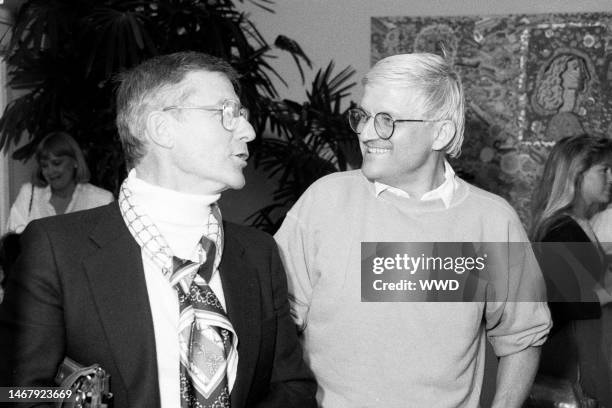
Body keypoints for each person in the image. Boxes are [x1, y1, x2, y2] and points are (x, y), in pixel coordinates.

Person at [0, 52, 316, 408]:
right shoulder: (56, 250)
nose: (248, 130)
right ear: (161, 129)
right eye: (227, 112)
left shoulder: (259, 254)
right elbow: (19, 394)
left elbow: (291, 388)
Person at [274, 52, 551, 408]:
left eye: (387, 120)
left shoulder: (493, 221)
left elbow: (523, 337)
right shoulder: (324, 201)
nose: (366, 132)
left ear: (440, 132)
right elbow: (276, 323)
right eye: (363, 116)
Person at [531, 134, 612, 407]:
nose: (611, 178)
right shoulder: (559, 230)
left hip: (584, 355)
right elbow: (585, 301)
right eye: (604, 170)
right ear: (577, 174)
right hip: (565, 362)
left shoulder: (582, 223)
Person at [6, 131, 114, 234]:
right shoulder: (29, 194)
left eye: (56, 163)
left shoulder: (101, 200)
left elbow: (109, 246)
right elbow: (12, 241)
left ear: (75, 161)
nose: (50, 171)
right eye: (44, 166)